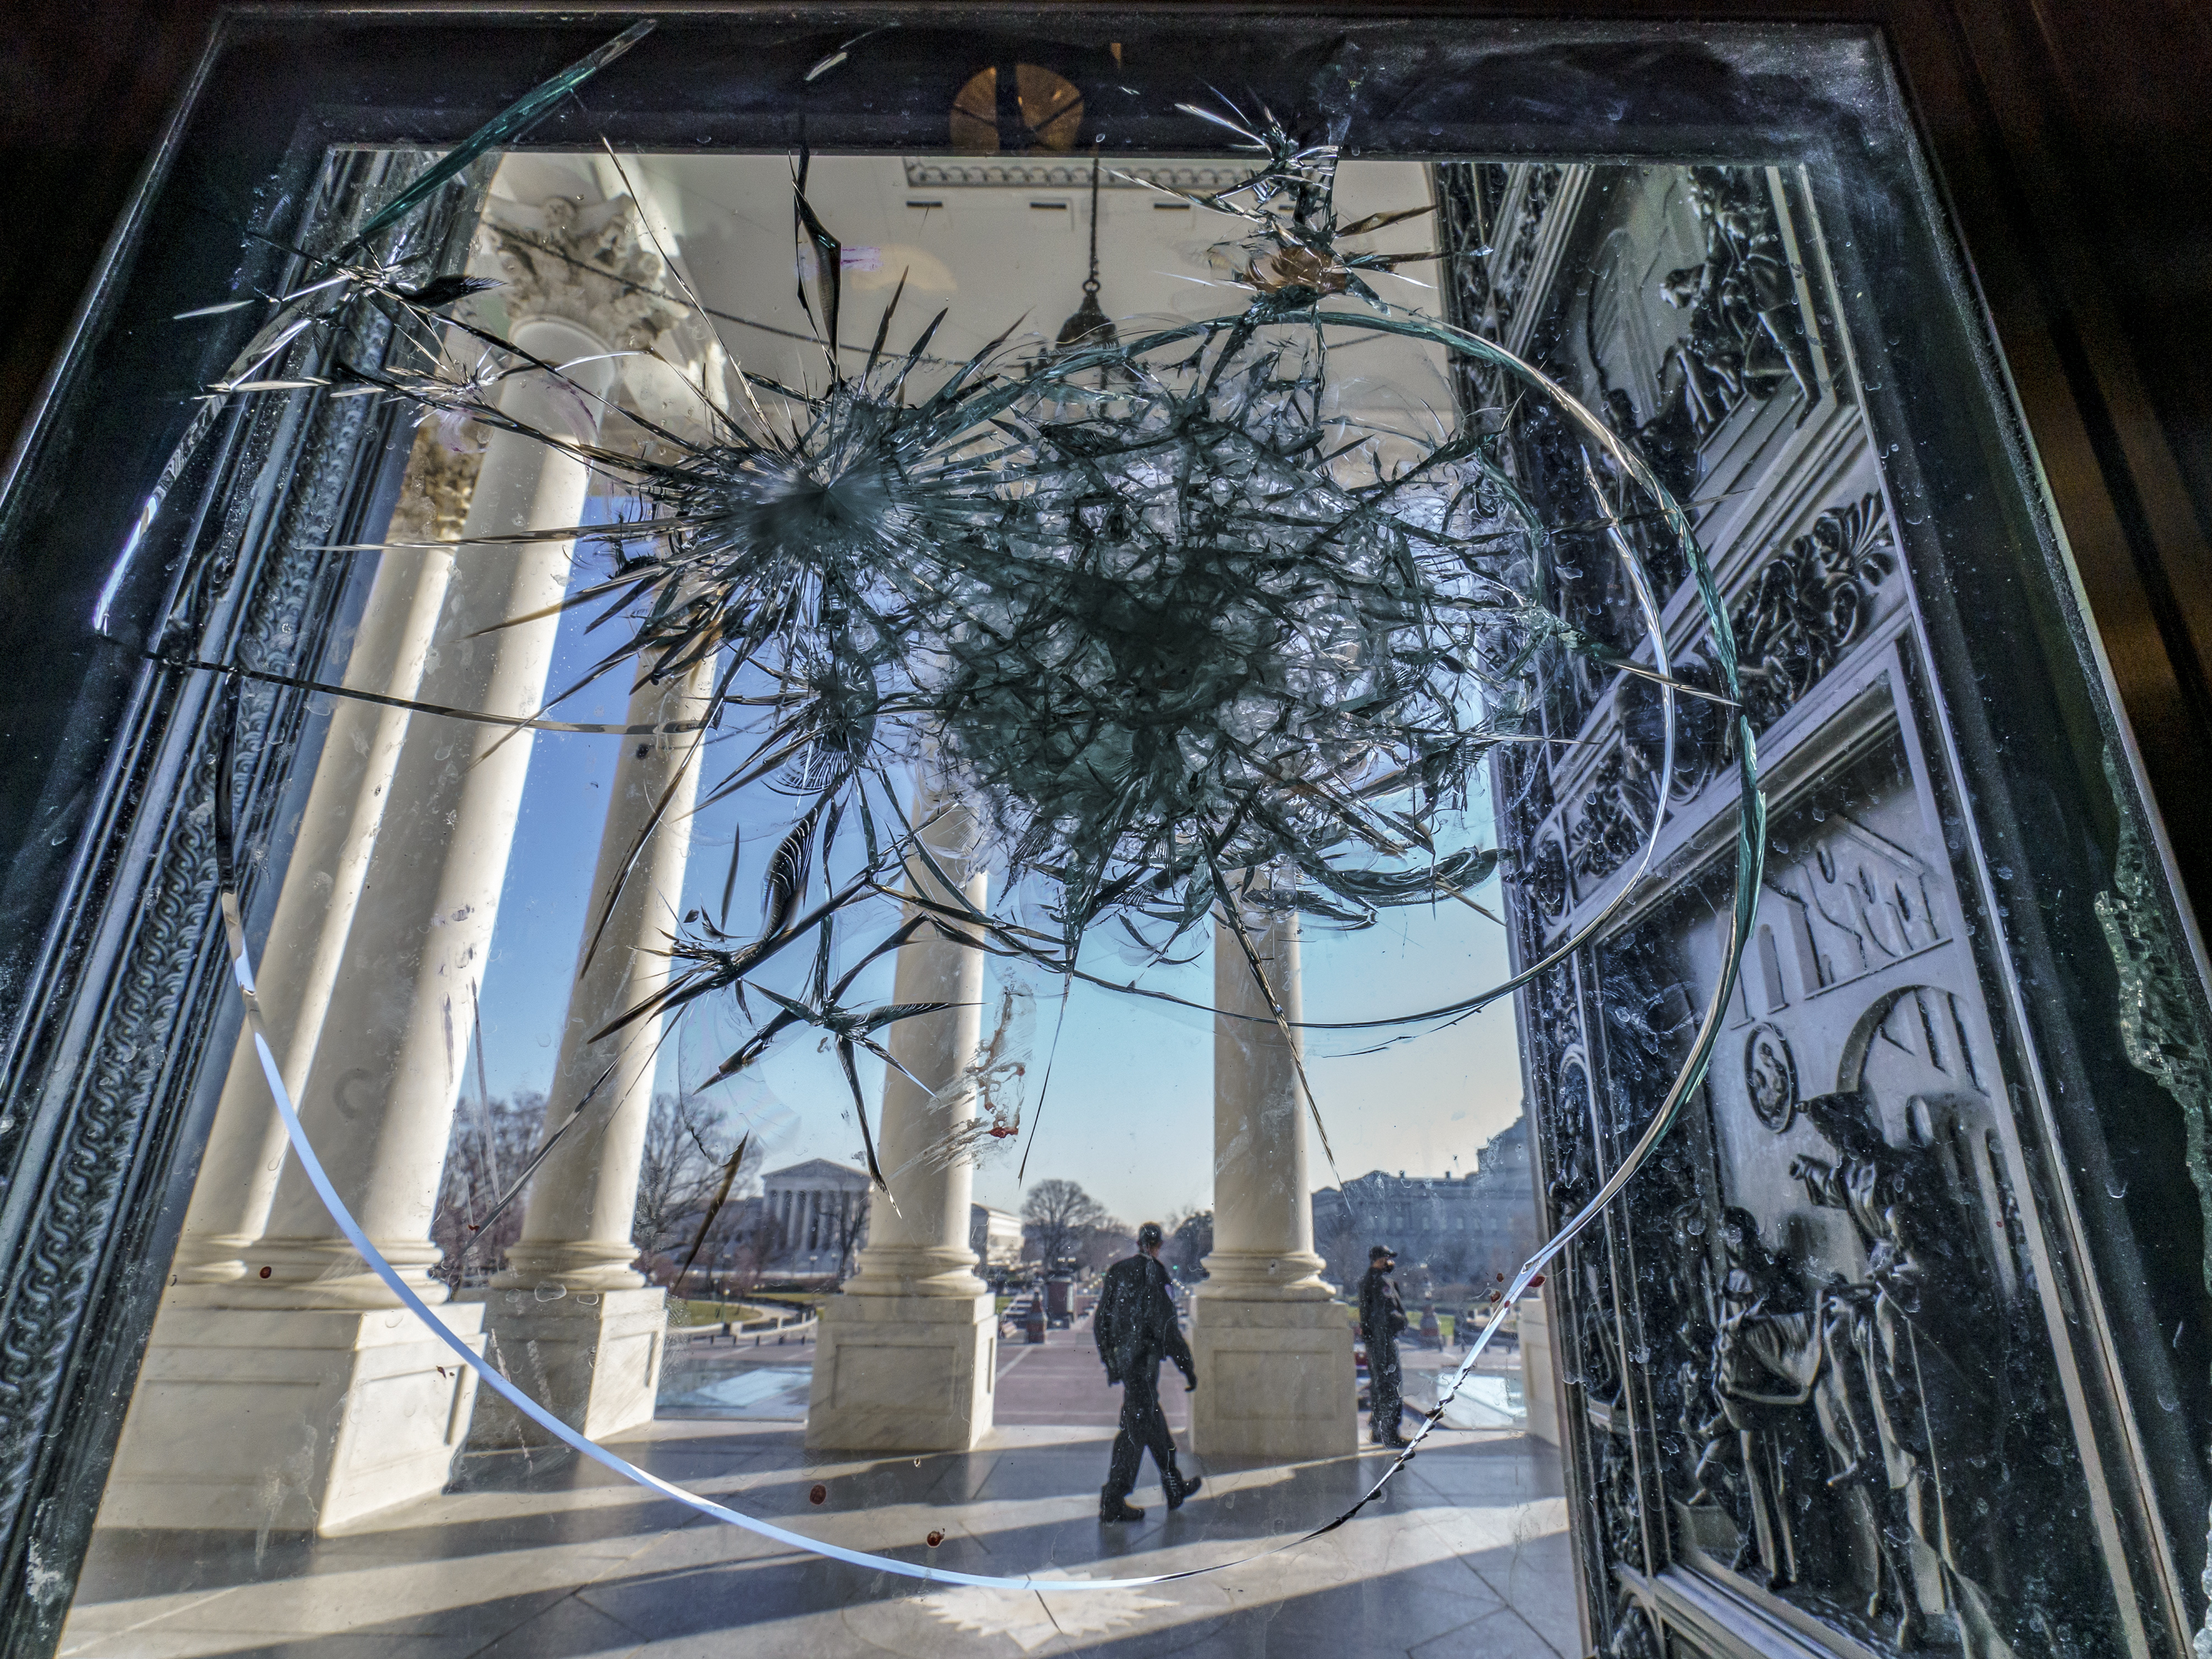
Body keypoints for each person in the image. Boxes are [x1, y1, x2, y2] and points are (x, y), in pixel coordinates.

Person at [1093, 1221, 1201, 1522]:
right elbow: (1168, 1329)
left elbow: (1102, 1320)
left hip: (1127, 1365)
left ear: (1139, 1242)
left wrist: (1110, 1361)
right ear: (1159, 1245)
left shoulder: (1117, 1271)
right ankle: (1114, 1498)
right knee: (1136, 1430)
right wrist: (1187, 1367)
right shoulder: (1158, 1274)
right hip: (1144, 1364)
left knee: (1150, 1422)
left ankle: (1174, 1485)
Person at [1359, 1244, 1410, 1448]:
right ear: (1380, 1260)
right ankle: (1390, 1432)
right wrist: (1400, 1320)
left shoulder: (1369, 1281)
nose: (1392, 1263)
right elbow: (1382, 1315)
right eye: (1389, 1259)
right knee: (1391, 1385)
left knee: (1380, 1386)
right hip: (1384, 1342)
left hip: (1378, 1342)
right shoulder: (1379, 1283)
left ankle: (1379, 1431)